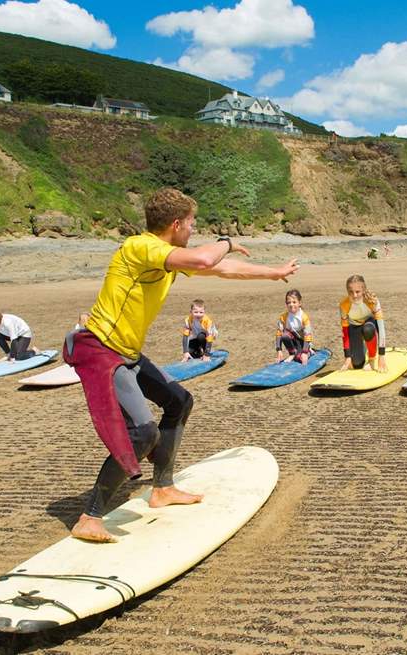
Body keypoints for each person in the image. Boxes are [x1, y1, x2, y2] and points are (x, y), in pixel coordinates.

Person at [64, 187, 298, 543]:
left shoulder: (165, 256)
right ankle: (90, 515)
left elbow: (222, 269)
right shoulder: (140, 248)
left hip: (127, 352)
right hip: (103, 351)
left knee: (179, 402)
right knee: (143, 432)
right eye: (190, 223)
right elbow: (210, 258)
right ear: (176, 224)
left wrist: (271, 272)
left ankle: (162, 488)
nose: (192, 230)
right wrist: (227, 241)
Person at [339, 274, 387, 373]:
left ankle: (372, 359)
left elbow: (381, 328)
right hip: (355, 326)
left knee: (368, 329)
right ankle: (363, 348)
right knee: (357, 364)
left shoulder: (372, 301)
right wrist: (347, 357)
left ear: (364, 290)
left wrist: (381, 356)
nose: (354, 295)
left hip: (369, 325)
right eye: (351, 292)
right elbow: (345, 333)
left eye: (358, 292)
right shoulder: (344, 305)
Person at [275, 289, 314, 364]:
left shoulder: (304, 317)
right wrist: (279, 350)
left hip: (303, 343)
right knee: (284, 335)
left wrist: (305, 352)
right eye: (289, 302)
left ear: (299, 303)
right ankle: (292, 353)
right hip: (293, 341)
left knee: (299, 358)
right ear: (286, 304)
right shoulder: (283, 317)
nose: (291, 304)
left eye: (294, 302)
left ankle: (309, 352)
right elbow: (279, 333)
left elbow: (308, 335)